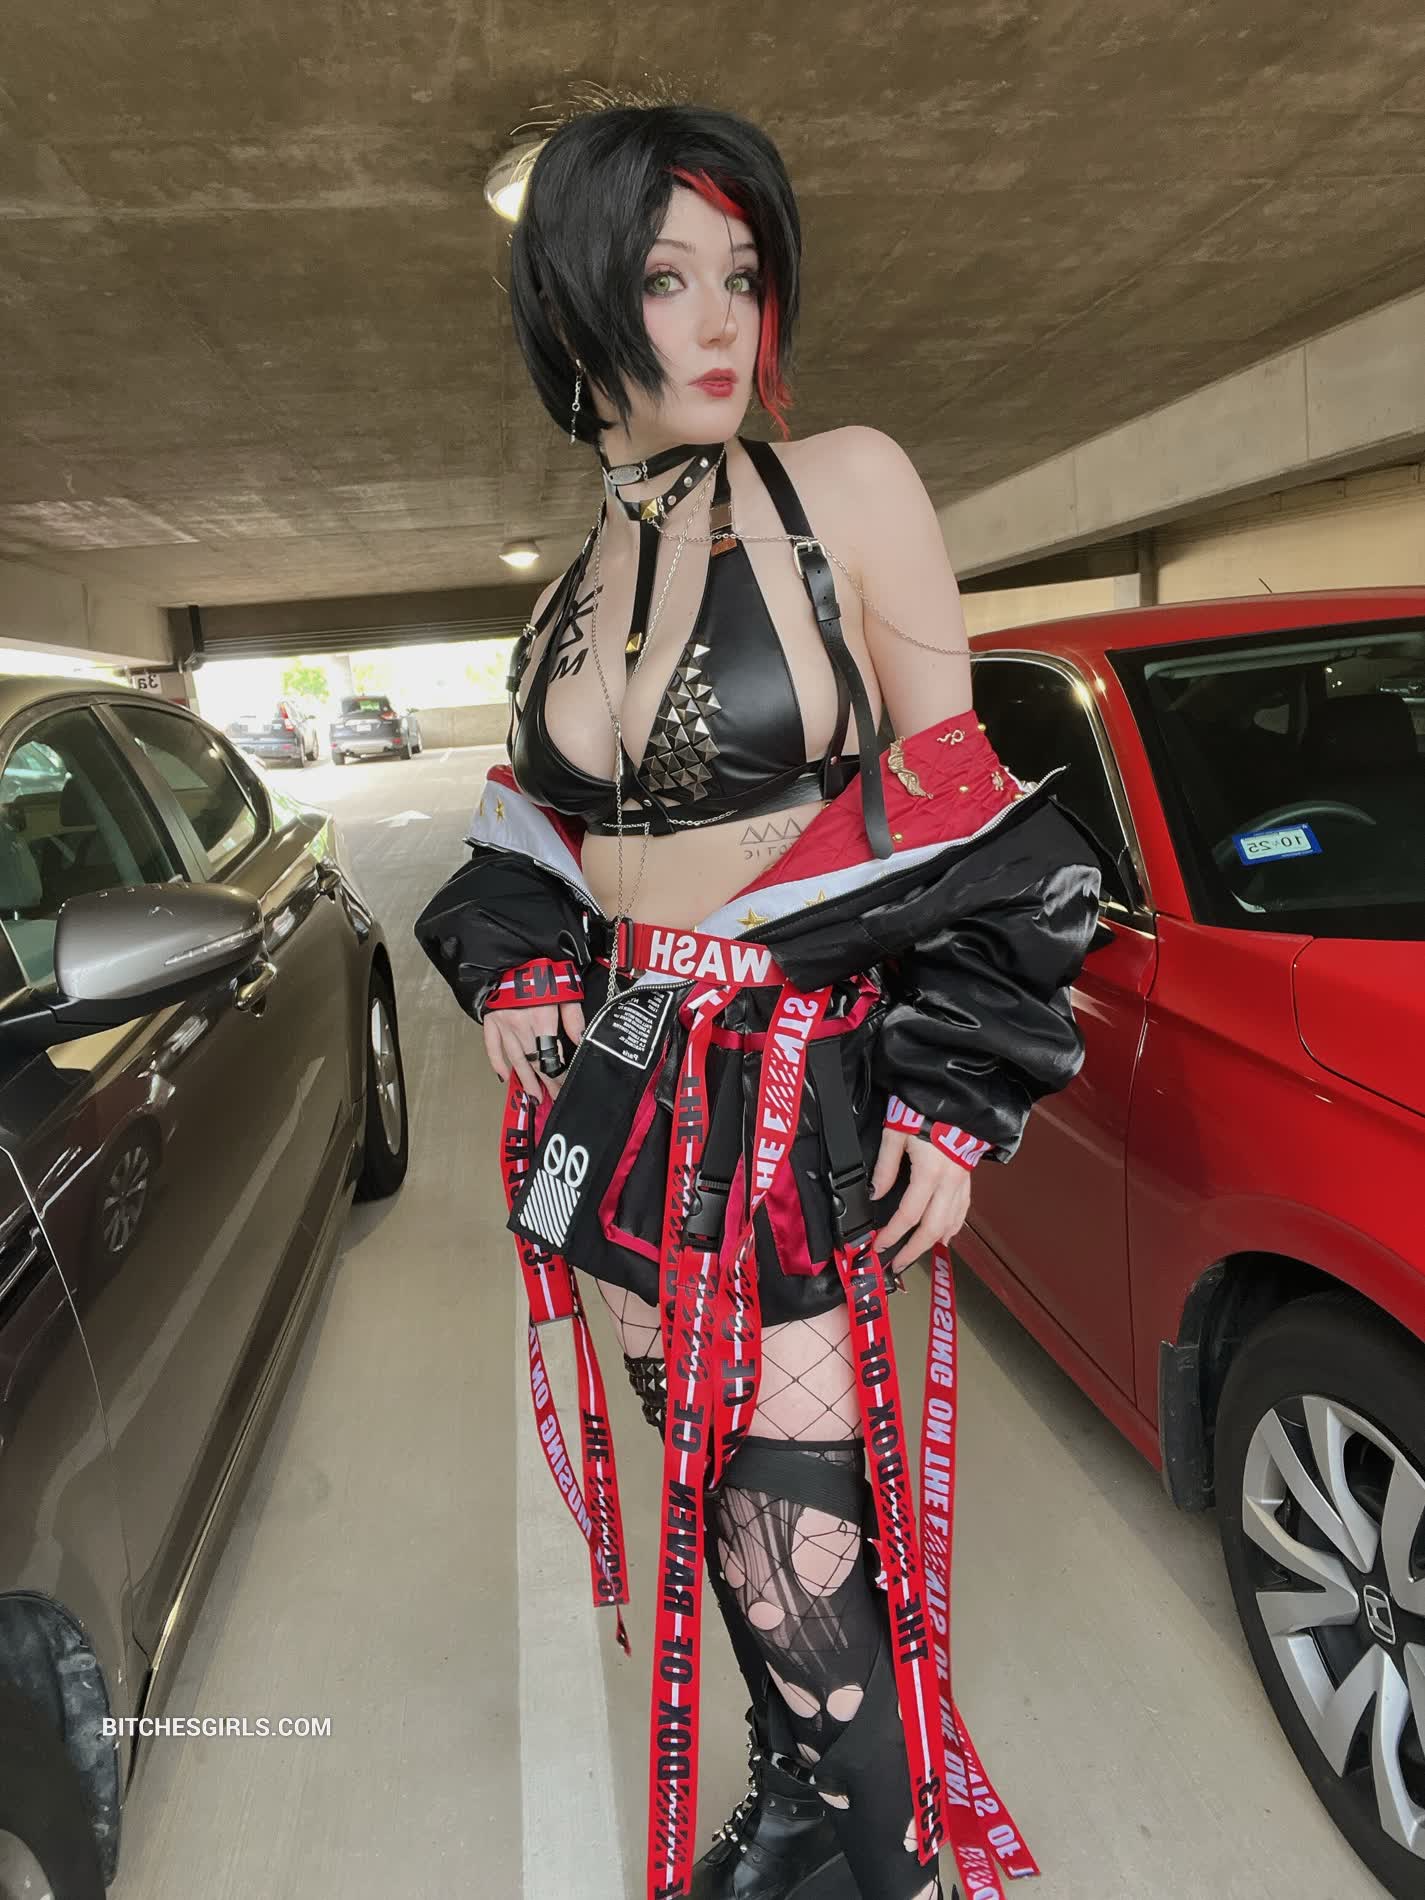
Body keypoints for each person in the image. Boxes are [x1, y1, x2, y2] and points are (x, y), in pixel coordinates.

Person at [415, 101, 1102, 1900]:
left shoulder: (841, 485)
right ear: (575, 306)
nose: (721, 319)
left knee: (797, 1549)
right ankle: (800, 1796)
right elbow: (533, 839)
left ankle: (886, 1866)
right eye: (665, 279)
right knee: (716, 1484)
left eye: (741, 273)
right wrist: (519, 966)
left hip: (791, 1082)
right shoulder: (568, 592)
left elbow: (958, 801)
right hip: (630, 1084)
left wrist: (954, 1086)